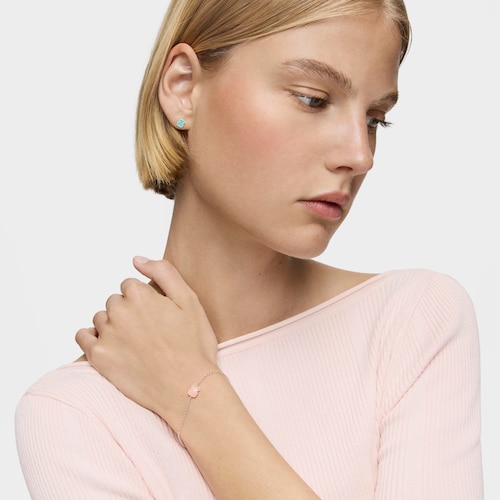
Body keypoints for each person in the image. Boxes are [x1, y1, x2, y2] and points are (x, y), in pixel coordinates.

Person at [15, 0, 483, 498]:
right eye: (312, 99)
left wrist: (194, 394)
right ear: (183, 88)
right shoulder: (75, 413)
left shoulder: (411, 322)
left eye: (375, 118)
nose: (360, 155)